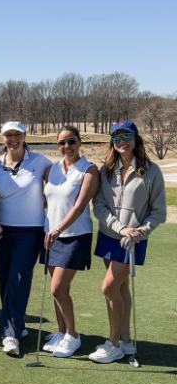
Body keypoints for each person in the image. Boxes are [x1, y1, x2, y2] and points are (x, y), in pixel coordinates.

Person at [90, 121, 166, 363]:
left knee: (109, 288)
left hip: (132, 241)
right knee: (120, 288)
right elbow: (99, 205)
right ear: (112, 142)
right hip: (109, 236)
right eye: (116, 137)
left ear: (136, 139)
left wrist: (139, 232)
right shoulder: (106, 170)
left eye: (127, 136)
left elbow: (159, 211)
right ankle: (125, 340)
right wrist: (119, 227)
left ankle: (112, 344)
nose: (121, 141)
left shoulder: (151, 171)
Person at [0, 121, 52, 355]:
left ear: (25, 136)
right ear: (3, 138)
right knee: (5, 281)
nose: (13, 139)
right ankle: (19, 324)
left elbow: (59, 181)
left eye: (17, 134)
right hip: (2, 231)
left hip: (30, 231)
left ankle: (10, 334)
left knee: (19, 279)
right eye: (8, 135)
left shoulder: (41, 161)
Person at [40, 126, 99, 358]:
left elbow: (80, 206)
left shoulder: (89, 170)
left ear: (79, 143)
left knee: (58, 288)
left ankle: (73, 336)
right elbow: (47, 200)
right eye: (62, 143)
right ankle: (62, 332)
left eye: (71, 141)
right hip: (50, 236)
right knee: (58, 291)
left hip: (74, 236)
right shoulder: (51, 170)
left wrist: (58, 228)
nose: (67, 147)